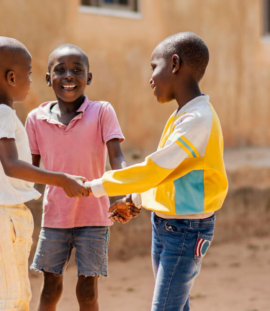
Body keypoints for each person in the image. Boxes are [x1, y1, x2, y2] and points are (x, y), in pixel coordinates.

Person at [86, 32, 228, 311]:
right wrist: (135, 201)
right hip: (165, 225)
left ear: (174, 64)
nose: (150, 78)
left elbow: (153, 170)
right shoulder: (182, 117)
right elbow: (166, 176)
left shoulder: (198, 120)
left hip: (187, 230)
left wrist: (94, 186)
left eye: (154, 67)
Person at [0, 37, 89, 311]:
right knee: (12, 300)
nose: (31, 80)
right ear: (11, 78)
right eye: (29, 73)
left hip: (1, 212)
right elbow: (10, 165)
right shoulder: (1, 115)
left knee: (17, 295)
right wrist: (61, 179)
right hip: (2, 216)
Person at [25, 44, 136, 311]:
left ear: (89, 77)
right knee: (50, 288)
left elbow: (116, 156)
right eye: (60, 70)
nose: (69, 76)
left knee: (88, 293)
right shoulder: (35, 119)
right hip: (55, 216)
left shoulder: (101, 112)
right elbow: (30, 169)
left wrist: (129, 187)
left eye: (77, 70)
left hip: (94, 216)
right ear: (48, 78)